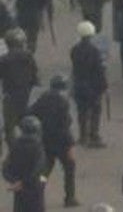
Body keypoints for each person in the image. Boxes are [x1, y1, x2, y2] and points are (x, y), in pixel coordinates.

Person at [28, 74, 77, 207]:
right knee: (69, 169)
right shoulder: (63, 101)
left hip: (45, 140)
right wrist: (71, 144)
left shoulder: (43, 98)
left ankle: (37, 194)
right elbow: (65, 125)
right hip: (62, 142)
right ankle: (69, 197)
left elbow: (30, 112)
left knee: (44, 171)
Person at [70, 21, 107, 148]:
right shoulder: (94, 51)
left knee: (82, 111)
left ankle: (82, 136)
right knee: (95, 111)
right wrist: (104, 85)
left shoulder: (75, 50)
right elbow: (99, 69)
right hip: (93, 85)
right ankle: (94, 136)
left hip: (79, 84)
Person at [0, 29, 39, 146]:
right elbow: (35, 76)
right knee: (29, 124)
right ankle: (32, 146)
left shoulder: (4, 59)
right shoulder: (28, 56)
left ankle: (14, 150)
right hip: (27, 95)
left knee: (9, 128)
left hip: (10, 96)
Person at [3, 116, 46, 211]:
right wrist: (27, 181)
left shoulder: (15, 145)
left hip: (19, 189)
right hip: (34, 187)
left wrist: (14, 180)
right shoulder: (38, 146)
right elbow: (39, 168)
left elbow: (5, 167)